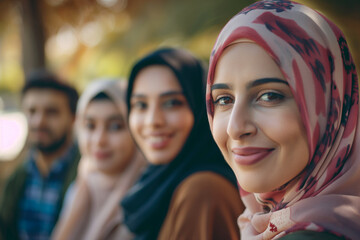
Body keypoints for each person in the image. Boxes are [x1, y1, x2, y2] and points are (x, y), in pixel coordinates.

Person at [206, 0, 360, 239]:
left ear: (330, 109)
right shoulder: (262, 224)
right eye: (224, 99)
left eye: (269, 96)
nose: (235, 128)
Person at [120, 47, 245, 240]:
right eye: (141, 105)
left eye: (171, 103)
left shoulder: (202, 191)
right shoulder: (157, 182)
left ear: (202, 108)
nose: (153, 121)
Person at [52, 79, 146, 240]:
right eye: (90, 125)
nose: (99, 140)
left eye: (115, 126)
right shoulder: (79, 187)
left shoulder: (149, 196)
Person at [0, 71, 80, 240]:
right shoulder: (16, 176)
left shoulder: (87, 174)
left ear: (73, 118)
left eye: (51, 112)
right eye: (32, 111)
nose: (38, 121)